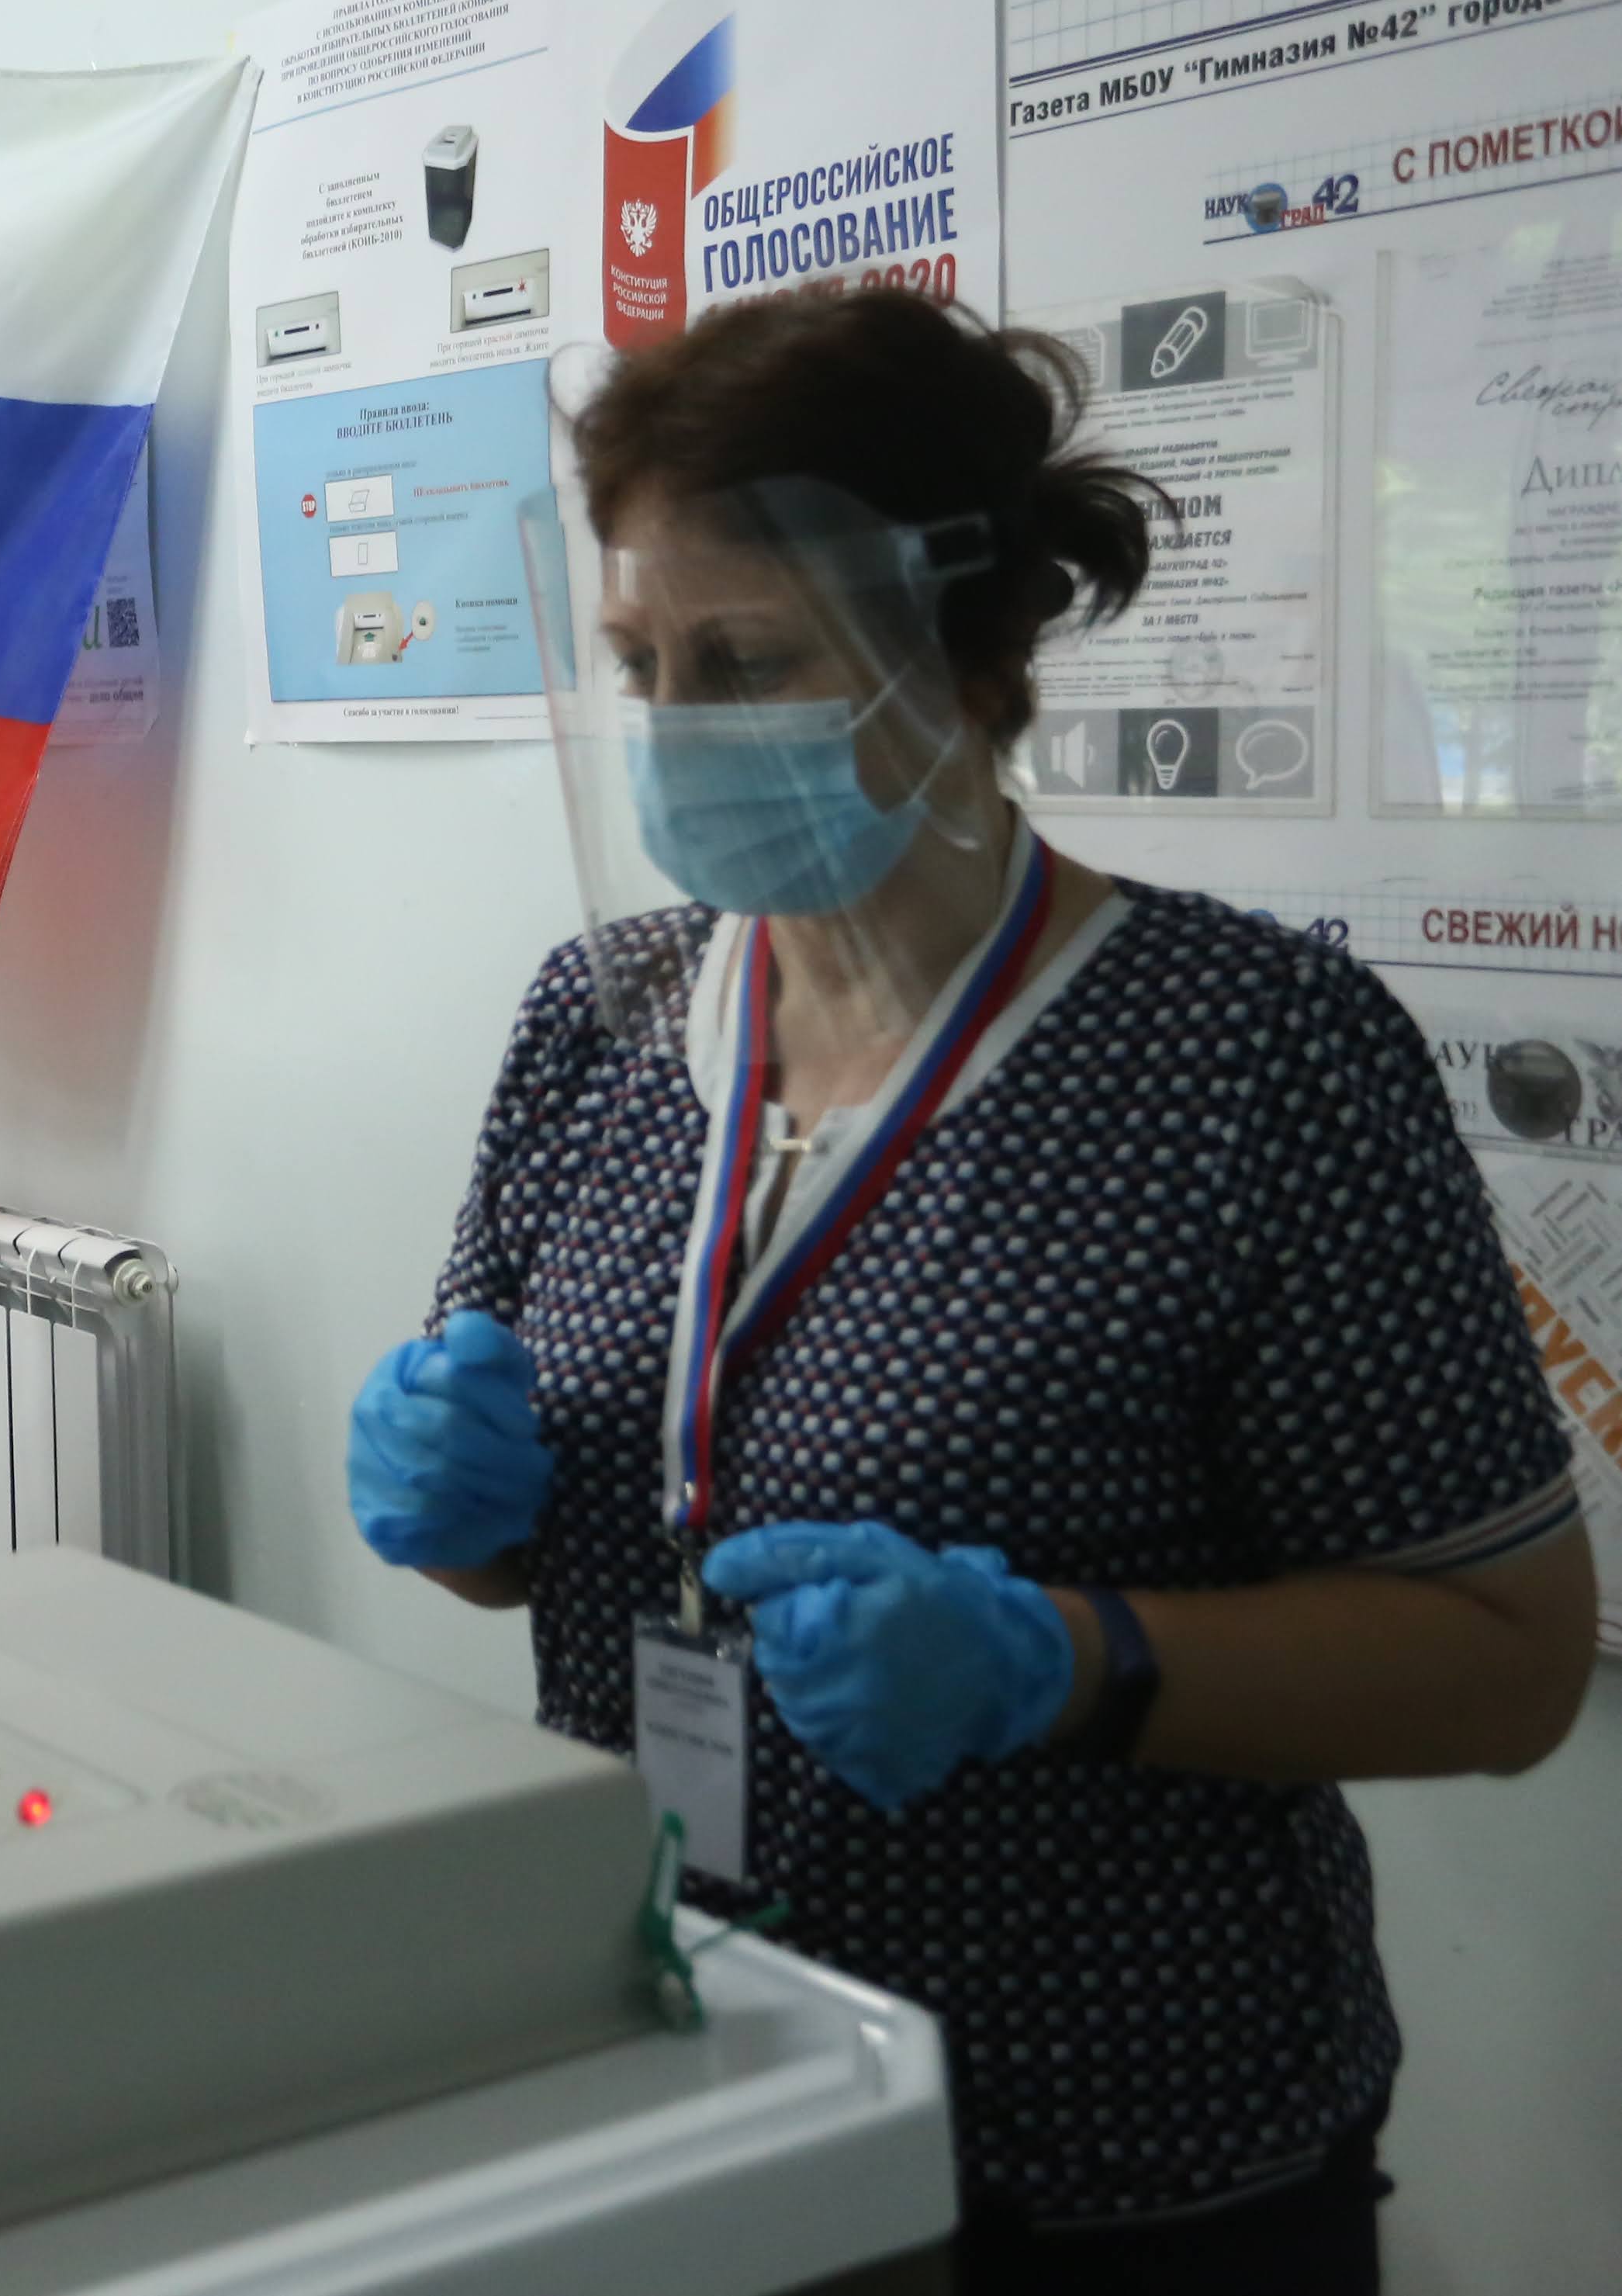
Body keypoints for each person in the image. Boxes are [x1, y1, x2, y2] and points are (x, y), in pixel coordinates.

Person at [345, 289, 1594, 2294]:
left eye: (746, 660)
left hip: (1109, 2167)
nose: (676, 726)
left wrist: (1058, 1661)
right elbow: (542, 1552)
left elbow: (1506, 1659)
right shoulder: (601, 1016)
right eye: (640, 663)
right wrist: (460, 1509)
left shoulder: (1250, 1056)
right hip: (687, 2077)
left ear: (967, 651)